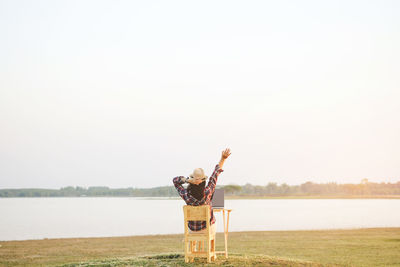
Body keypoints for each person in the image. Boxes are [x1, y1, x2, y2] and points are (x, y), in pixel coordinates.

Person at [173, 148, 231, 234]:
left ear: (192, 181)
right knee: (213, 221)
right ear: (203, 181)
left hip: (193, 230)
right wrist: (223, 158)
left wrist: (188, 180)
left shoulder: (186, 195)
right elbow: (216, 173)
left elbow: (175, 181)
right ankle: (210, 247)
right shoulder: (208, 191)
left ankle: (194, 247)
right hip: (208, 229)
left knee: (192, 231)